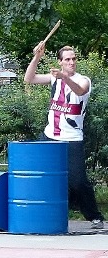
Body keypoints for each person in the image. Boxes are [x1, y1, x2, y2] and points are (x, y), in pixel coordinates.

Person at [24, 42, 104, 229]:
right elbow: (29, 78)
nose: (72, 62)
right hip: (50, 135)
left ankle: (95, 216)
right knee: (38, 173)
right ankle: (40, 212)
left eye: (74, 59)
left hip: (72, 138)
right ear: (60, 62)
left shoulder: (83, 80)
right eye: (67, 59)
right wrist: (37, 56)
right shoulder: (54, 79)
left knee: (77, 181)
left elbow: (80, 90)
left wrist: (64, 77)